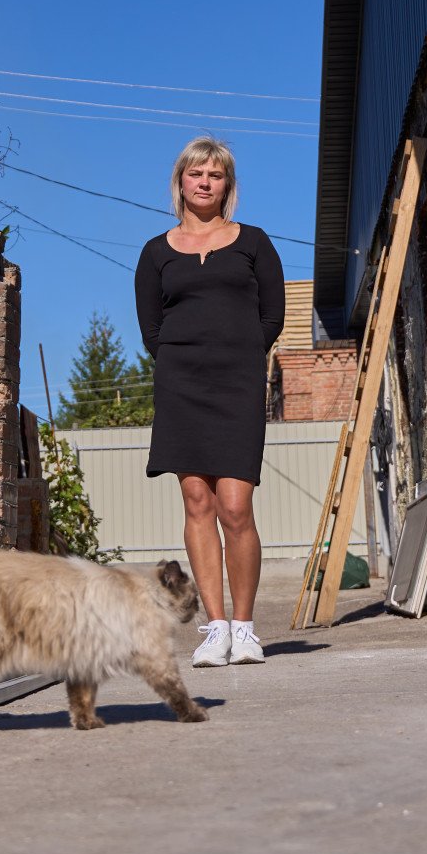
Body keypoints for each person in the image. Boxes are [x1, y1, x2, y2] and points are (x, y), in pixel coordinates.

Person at [134, 136, 285, 667]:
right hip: (180, 386)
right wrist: (183, 359)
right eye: (195, 173)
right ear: (180, 182)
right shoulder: (155, 252)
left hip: (237, 385)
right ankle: (214, 628)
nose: (204, 182)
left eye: (215, 175)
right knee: (197, 502)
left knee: (236, 507)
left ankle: (245, 629)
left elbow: (273, 318)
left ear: (227, 185)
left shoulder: (255, 243)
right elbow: (151, 328)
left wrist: (240, 358)